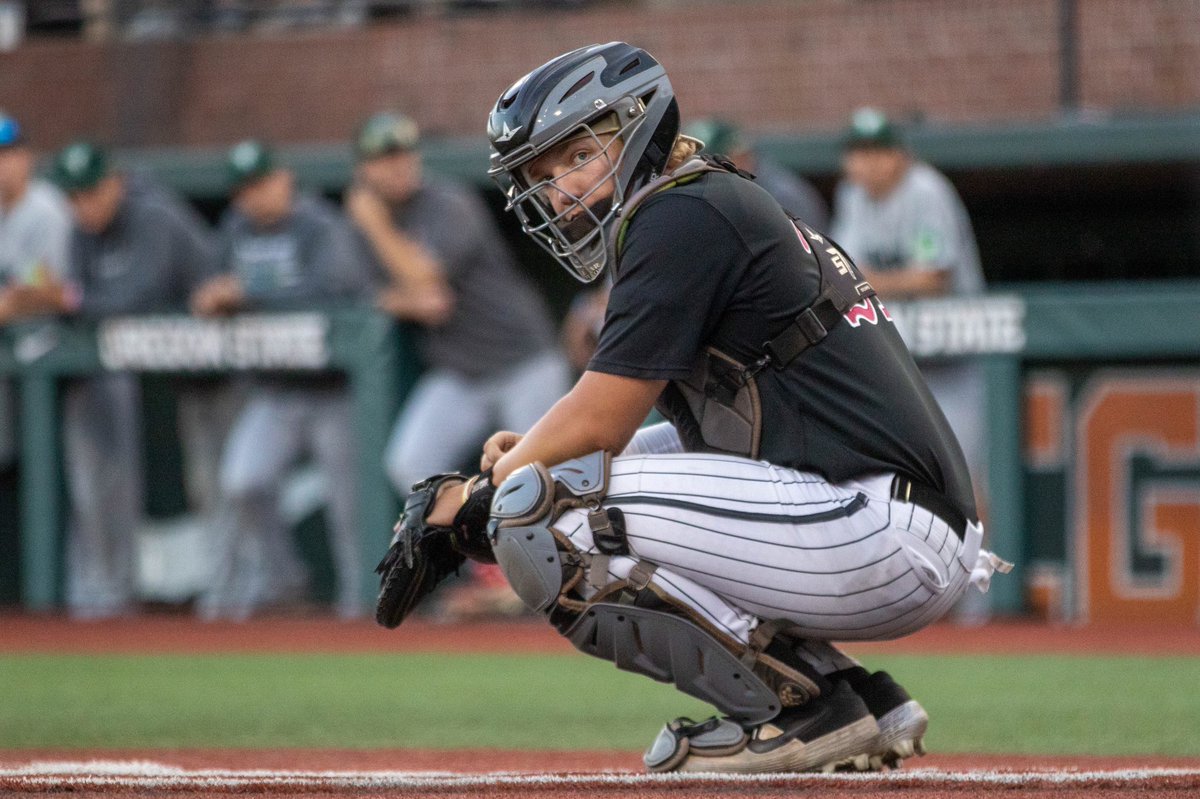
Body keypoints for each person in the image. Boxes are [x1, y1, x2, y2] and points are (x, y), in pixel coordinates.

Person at [373, 42, 1010, 774]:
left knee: (536, 511)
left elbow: (602, 415)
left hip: (875, 529)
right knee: (545, 484)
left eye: (576, 157)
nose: (556, 192)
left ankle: (799, 712)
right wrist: (530, 462)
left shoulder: (682, 214)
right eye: (540, 176)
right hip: (879, 518)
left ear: (636, 126)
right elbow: (629, 431)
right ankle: (850, 694)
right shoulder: (697, 199)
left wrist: (488, 495)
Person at [346, 112, 570, 619]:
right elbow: (382, 298)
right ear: (364, 170)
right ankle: (484, 570)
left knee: (546, 472)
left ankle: (563, 581)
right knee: (410, 461)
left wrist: (373, 223)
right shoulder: (364, 232)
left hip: (521, 359)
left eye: (404, 154)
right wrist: (402, 293)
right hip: (460, 372)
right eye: (384, 158)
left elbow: (428, 290)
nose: (398, 166)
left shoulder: (448, 203)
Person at [7, 140, 218, 618]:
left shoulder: (153, 215)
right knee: (104, 477)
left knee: (226, 479)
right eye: (75, 196)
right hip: (173, 371)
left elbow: (135, 296)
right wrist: (60, 299)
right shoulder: (83, 231)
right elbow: (86, 301)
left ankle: (249, 602)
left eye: (93, 193)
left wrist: (64, 300)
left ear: (116, 183)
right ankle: (107, 595)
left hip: (227, 366)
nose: (84, 206)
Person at [193, 139, 373, 620]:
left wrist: (247, 294)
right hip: (275, 389)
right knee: (244, 481)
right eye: (243, 188)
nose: (253, 196)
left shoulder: (321, 225)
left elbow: (332, 291)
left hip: (333, 388)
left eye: (261, 182)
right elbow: (211, 284)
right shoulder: (234, 230)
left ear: (284, 178)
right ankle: (284, 583)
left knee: (349, 507)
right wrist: (210, 295)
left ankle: (363, 607)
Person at [829, 108, 991, 624]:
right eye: (858, 153)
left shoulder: (925, 190)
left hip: (955, 355)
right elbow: (842, 271)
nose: (868, 164)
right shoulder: (851, 196)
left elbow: (932, 278)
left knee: (968, 477)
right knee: (896, 481)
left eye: (878, 151)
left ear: (901, 156)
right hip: (902, 365)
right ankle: (923, 603)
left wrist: (870, 278)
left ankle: (982, 608)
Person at [560, 117, 829, 373]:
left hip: (787, 348)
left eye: (713, 159)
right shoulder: (670, 207)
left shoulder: (772, 196)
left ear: (742, 156)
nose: (698, 171)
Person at [0, 112, 73, 467]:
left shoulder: (46, 209)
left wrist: (12, 301)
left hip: (58, 356)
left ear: (26, 157)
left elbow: (49, 289)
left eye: (7, 154)